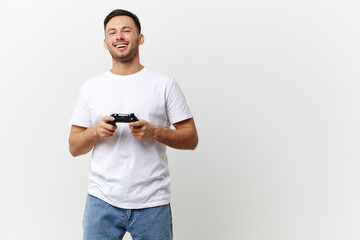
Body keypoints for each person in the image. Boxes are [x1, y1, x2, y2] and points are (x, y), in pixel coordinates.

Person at [68, 9, 198, 240]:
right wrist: (96, 131)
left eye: (126, 31)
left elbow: (191, 139)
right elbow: (74, 147)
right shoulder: (91, 88)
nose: (119, 36)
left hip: (152, 202)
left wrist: (154, 131)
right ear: (105, 42)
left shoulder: (164, 83)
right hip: (101, 201)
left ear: (140, 38)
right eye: (112, 32)